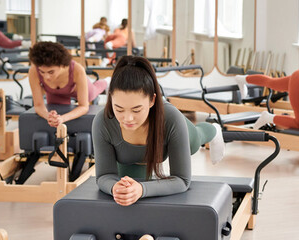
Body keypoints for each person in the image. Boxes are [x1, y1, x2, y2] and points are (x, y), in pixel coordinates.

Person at [93, 56, 225, 206]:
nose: (128, 118)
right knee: (130, 194)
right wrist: (115, 187)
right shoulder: (103, 121)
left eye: (136, 110)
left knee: (194, 141)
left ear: (152, 100)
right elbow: (104, 175)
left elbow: (182, 180)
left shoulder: (171, 118)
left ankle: (214, 129)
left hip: (175, 129)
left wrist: (142, 189)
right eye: (119, 109)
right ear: (110, 99)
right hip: (129, 161)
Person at [27, 42, 109, 127]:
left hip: (76, 90)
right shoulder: (34, 71)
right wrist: (48, 116)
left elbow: (84, 107)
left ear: (62, 65)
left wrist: (63, 118)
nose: (46, 77)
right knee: (57, 115)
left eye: (51, 72)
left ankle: (106, 81)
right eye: (42, 72)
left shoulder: (77, 69)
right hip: (55, 93)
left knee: (93, 92)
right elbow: (38, 105)